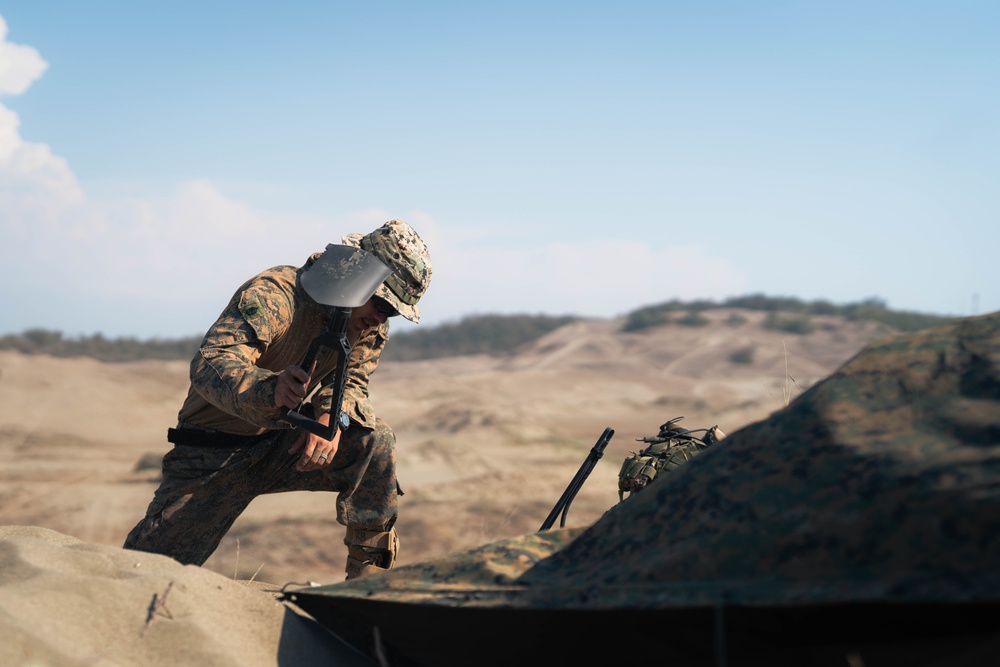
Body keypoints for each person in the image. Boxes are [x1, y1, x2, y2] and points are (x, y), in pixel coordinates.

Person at [123, 219, 432, 580]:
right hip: (210, 456)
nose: (381, 317)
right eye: (380, 301)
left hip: (284, 446)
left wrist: (332, 419)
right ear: (355, 272)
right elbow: (211, 361)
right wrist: (268, 390)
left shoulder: (369, 324)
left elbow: (350, 382)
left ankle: (367, 586)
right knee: (145, 576)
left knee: (375, 441)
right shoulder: (277, 293)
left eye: (392, 311)